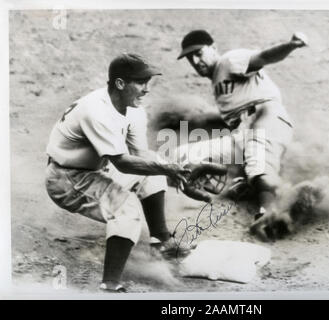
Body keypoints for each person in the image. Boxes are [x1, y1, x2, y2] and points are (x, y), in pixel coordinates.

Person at [45, 53, 191, 292]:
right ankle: (110, 285)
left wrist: (180, 172)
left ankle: (161, 242)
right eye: (141, 82)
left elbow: (141, 157)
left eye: (148, 82)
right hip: (65, 179)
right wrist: (167, 170)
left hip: (96, 169)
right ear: (120, 84)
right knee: (125, 207)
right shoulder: (96, 110)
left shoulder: (133, 109)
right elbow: (123, 163)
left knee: (153, 163)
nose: (146, 89)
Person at [177, 29, 308, 240]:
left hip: (267, 117)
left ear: (213, 49)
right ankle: (246, 182)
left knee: (258, 161)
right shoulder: (218, 79)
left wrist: (290, 45)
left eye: (199, 53)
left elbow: (263, 57)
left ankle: (269, 215)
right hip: (243, 133)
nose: (195, 60)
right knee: (182, 156)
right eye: (190, 58)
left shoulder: (229, 60)